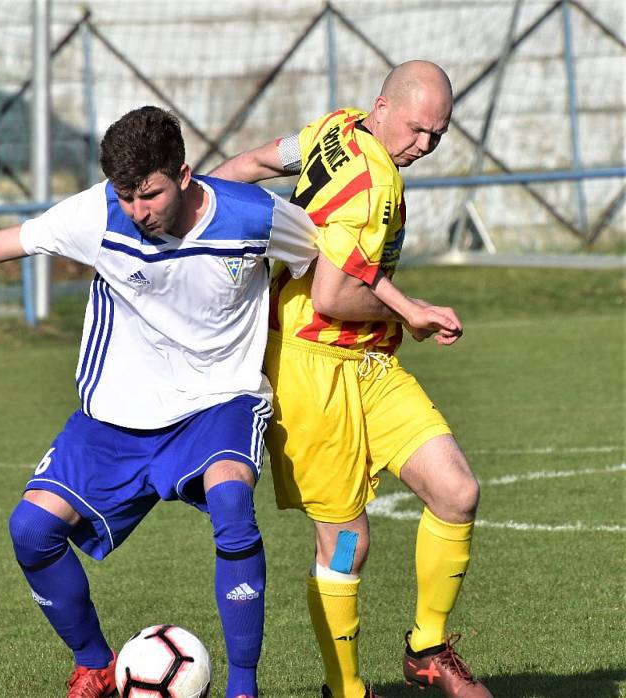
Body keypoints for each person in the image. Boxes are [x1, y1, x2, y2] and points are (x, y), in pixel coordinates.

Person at [0, 106, 346, 698]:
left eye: (148, 194)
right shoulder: (97, 215)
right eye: (125, 195)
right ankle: (95, 663)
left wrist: (381, 321)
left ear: (183, 174)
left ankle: (243, 688)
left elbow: (329, 263)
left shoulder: (253, 215)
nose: (136, 212)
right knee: (30, 530)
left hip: (217, 400)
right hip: (118, 416)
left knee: (232, 500)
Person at [210, 61, 493, 698]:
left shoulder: (332, 129)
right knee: (346, 547)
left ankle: (428, 648)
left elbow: (255, 162)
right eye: (419, 130)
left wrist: (197, 203)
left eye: (438, 136)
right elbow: (335, 296)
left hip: (371, 367)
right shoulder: (374, 182)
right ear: (383, 107)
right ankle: (345, 689)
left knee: (456, 491)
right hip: (310, 372)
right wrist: (411, 313)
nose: (425, 146)